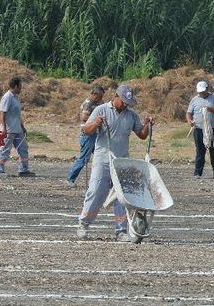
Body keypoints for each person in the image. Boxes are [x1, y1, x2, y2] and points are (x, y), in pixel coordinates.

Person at [76, 85, 154, 242]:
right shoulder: (101, 110)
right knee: (96, 191)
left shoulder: (131, 115)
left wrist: (147, 125)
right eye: (124, 101)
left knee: (122, 196)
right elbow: (86, 130)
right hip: (103, 159)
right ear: (116, 96)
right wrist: (96, 124)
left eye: (128, 102)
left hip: (122, 161)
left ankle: (121, 230)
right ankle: (84, 223)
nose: (126, 105)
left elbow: (142, 135)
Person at [65, 86, 105, 187]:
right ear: (94, 95)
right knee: (84, 158)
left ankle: (99, 180)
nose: (101, 98)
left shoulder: (98, 103)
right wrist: (97, 119)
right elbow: (84, 117)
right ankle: (70, 178)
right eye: (99, 96)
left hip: (95, 134)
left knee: (101, 156)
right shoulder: (88, 103)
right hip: (88, 135)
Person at [0, 76, 34, 177]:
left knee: (23, 148)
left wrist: (23, 127)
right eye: (20, 86)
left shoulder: (16, 97)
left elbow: (17, 114)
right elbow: (2, 113)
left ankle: (23, 170)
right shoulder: (7, 97)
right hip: (9, 130)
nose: (21, 88)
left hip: (18, 130)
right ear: (15, 86)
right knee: (5, 149)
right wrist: (3, 128)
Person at [186, 81, 214, 179]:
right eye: (200, 92)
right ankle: (197, 173)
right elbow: (189, 113)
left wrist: (209, 109)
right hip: (199, 129)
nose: (201, 94)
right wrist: (189, 120)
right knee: (200, 151)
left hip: (213, 128)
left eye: (203, 91)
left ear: (207, 89)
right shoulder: (194, 100)